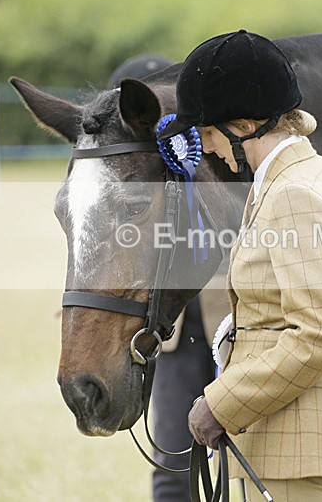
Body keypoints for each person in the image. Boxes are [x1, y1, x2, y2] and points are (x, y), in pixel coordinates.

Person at [159, 30, 322, 502]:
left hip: (293, 443)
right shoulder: (320, 175)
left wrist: (224, 403)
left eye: (208, 132)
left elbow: (321, 333)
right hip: (281, 431)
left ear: (244, 125)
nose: (207, 148)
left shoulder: (293, 195)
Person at [108, 54, 223, 502]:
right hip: (171, 335)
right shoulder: (129, 179)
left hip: (230, 322)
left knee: (246, 463)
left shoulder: (208, 155)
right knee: (174, 461)